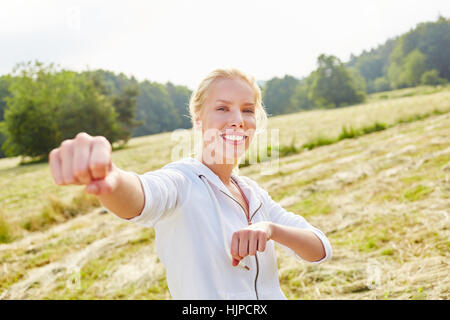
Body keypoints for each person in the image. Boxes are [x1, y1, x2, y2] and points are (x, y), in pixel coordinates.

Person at [48, 68, 332, 300]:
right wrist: (111, 178)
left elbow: (320, 249)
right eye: (223, 108)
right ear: (199, 119)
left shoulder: (253, 193)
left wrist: (270, 229)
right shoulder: (182, 181)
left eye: (247, 110)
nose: (238, 121)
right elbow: (144, 196)